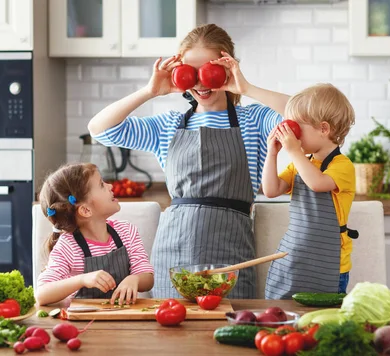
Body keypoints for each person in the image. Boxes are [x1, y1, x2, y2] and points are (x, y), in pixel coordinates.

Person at [87, 24, 289, 299]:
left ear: (229, 69)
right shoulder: (168, 126)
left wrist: (247, 87)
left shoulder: (254, 120)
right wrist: (149, 91)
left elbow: (307, 117)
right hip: (173, 250)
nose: (201, 82)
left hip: (231, 253)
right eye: (191, 73)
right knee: (173, 336)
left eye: (210, 71)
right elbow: (99, 129)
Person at [262, 83, 358, 299]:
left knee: (323, 316)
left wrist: (294, 151)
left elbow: (317, 183)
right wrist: (273, 154)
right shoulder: (301, 163)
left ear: (324, 129)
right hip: (296, 254)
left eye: (297, 127)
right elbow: (271, 190)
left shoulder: (342, 166)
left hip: (329, 263)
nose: (292, 135)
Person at [35, 163, 154, 305]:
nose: (110, 186)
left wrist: (135, 279)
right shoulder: (68, 246)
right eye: (102, 185)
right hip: (83, 322)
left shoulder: (127, 232)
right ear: (86, 210)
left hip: (124, 317)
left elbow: (148, 279)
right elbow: (41, 294)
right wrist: (82, 279)